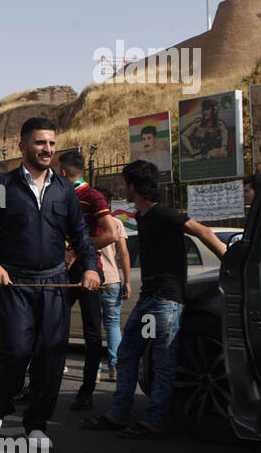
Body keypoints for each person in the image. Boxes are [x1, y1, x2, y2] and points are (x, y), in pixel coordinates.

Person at [0, 118, 100, 445]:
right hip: (13, 283)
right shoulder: (2, 187)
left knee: (51, 355)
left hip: (55, 284)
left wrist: (90, 267)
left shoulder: (64, 190)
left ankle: (37, 424)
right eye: (40, 143)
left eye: (51, 144)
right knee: (15, 350)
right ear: (23, 146)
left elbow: (81, 233)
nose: (47, 149)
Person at [83, 160, 226, 438]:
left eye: (126, 183)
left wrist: (228, 257)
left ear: (133, 186)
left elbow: (203, 231)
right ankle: (118, 413)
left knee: (163, 361)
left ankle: (154, 419)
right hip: (149, 298)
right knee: (127, 354)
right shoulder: (143, 218)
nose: (124, 188)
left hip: (167, 301)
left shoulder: (163, 214)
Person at [56, 151, 121, 410]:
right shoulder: (62, 197)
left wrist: (76, 251)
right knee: (50, 326)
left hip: (90, 271)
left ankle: (86, 391)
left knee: (92, 334)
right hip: (64, 271)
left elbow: (111, 234)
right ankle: (39, 385)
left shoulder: (92, 196)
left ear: (62, 172)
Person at [92, 191, 132, 382]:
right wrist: (127, 281)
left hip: (92, 279)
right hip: (112, 280)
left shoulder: (86, 222)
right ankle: (114, 368)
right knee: (113, 325)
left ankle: (95, 371)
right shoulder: (116, 223)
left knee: (94, 327)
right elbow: (123, 253)